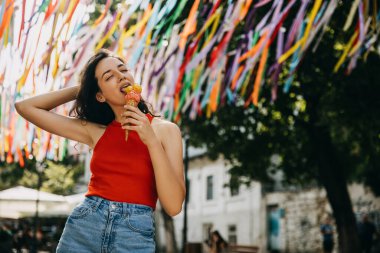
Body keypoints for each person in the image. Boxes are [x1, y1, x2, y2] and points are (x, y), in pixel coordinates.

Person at [15, 49, 186, 252]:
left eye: (123, 70)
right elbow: (25, 107)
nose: (121, 76)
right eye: (109, 76)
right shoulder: (95, 132)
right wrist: (82, 89)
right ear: (100, 96)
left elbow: (174, 206)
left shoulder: (166, 130)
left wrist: (151, 140)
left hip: (134, 234)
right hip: (85, 226)